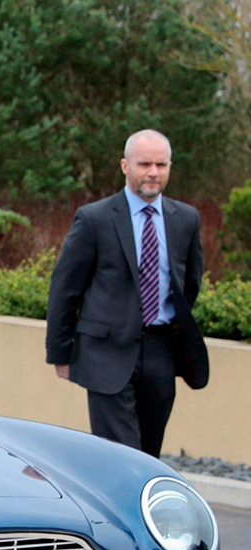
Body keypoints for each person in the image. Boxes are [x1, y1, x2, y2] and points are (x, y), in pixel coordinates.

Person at [46, 129, 209, 457]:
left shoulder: (185, 220)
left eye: (161, 165)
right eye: (144, 164)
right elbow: (65, 289)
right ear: (124, 166)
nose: (153, 172)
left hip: (161, 352)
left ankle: (137, 509)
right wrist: (61, 352)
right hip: (105, 353)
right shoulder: (95, 219)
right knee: (120, 456)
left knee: (149, 455)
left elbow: (189, 284)